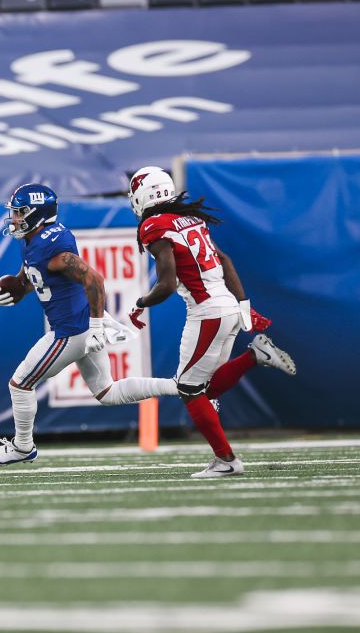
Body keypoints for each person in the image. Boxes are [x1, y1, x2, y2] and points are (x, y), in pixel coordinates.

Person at [0, 183, 184, 465]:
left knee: (20, 384)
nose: (14, 218)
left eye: (20, 212)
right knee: (107, 392)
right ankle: (181, 386)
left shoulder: (52, 248)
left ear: (38, 213)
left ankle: (23, 446)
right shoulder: (35, 239)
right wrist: (11, 290)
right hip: (80, 328)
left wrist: (97, 325)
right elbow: (33, 277)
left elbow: (94, 279)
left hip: (71, 332)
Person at [125, 166, 297, 479]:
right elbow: (226, 261)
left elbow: (166, 284)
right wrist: (243, 306)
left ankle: (227, 460)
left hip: (207, 312)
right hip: (226, 307)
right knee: (203, 388)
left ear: (142, 195)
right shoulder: (190, 219)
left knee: (188, 389)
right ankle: (254, 357)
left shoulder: (153, 225)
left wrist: (139, 304)